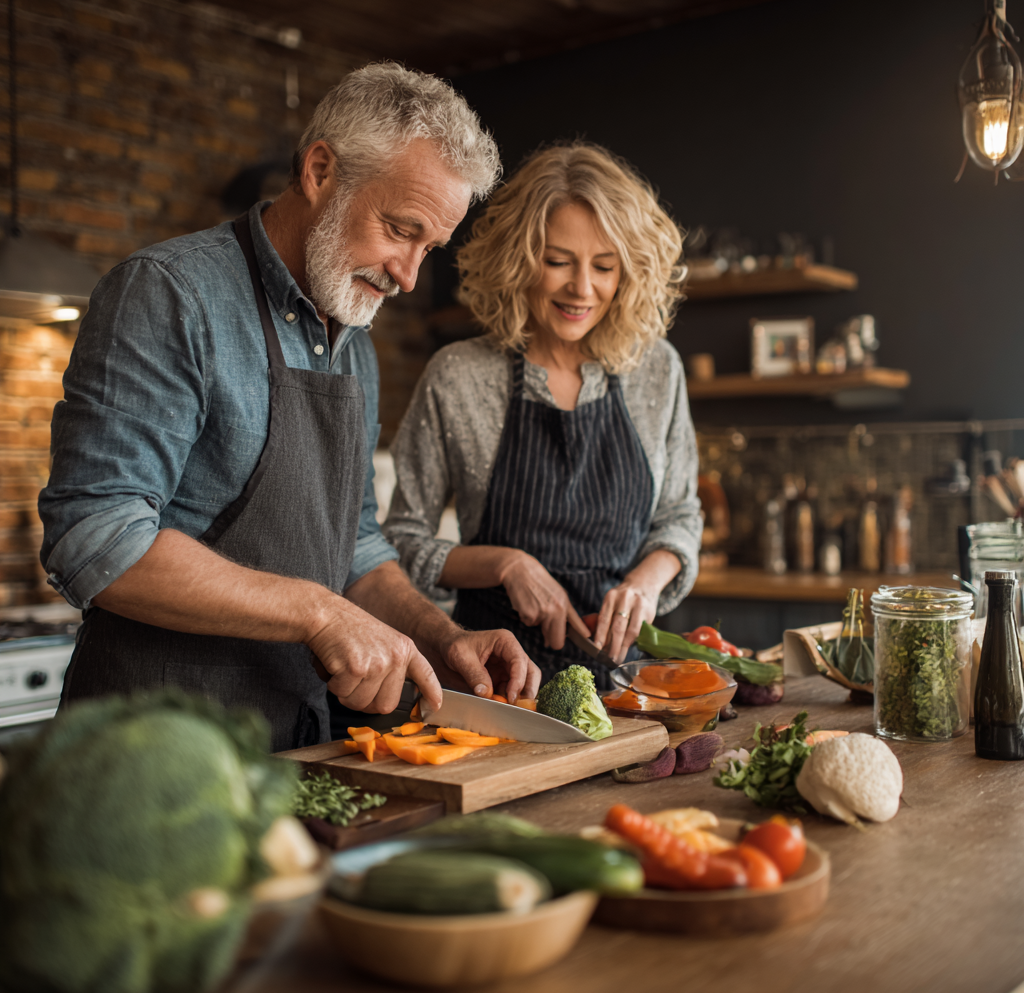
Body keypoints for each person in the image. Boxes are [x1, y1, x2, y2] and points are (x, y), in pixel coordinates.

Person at [39, 63, 540, 751]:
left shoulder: (350, 335)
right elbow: (96, 538)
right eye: (400, 229)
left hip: (295, 740)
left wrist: (441, 636)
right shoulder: (170, 295)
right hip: (154, 746)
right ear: (320, 170)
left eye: (430, 248)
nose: (407, 274)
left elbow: (354, 542)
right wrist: (316, 612)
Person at [383, 142, 701, 684]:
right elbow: (401, 542)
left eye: (604, 266)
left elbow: (679, 519)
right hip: (495, 679)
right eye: (558, 262)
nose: (582, 288)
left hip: (624, 680)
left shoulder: (657, 372)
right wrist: (507, 564)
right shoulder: (459, 376)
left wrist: (645, 584)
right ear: (520, 259)